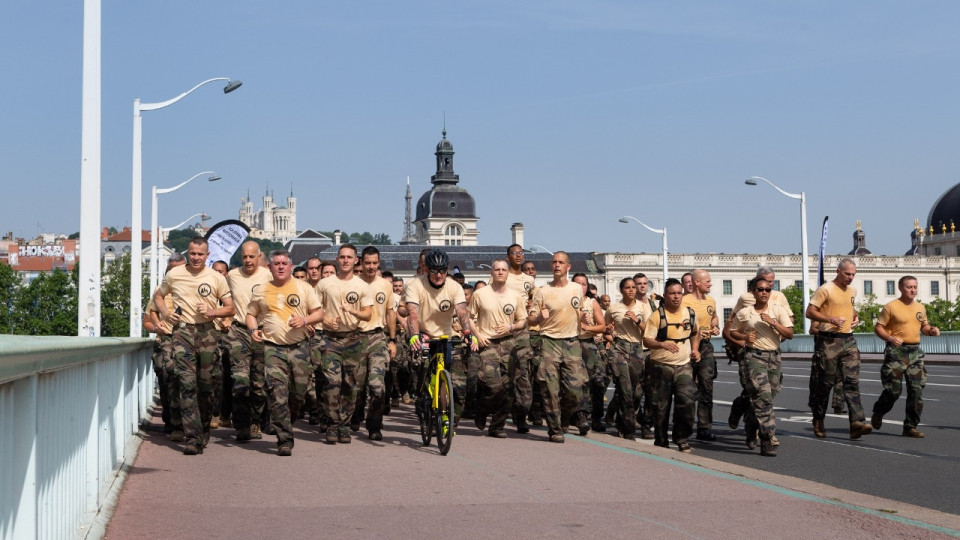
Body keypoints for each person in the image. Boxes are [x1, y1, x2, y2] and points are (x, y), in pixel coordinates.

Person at [153, 237, 235, 455]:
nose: (196, 257)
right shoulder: (174, 274)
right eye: (193, 253)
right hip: (183, 333)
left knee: (207, 387)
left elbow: (230, 309)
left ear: (208, 256)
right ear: (188, 253)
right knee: (187, 384)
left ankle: (203, 428)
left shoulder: (216, 278)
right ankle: (192, 438)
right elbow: (158, 296)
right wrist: (165, 312)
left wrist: (212, 312)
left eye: (201, 254)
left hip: (207, 332)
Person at [245, 250, 324, 456]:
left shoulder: (303, 287)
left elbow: (319, 313)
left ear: (291, 266)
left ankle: (288, 418)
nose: (280, 267)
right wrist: (253, 330)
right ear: (270, 267)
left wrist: (305, 320)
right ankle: (284, 440)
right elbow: (251, 314)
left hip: (299, 347)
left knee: (298, 394)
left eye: (284, 263)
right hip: (273, 348)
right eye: (276, 264)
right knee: (277, 394)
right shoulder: (261, 290)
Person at [404, 249, 479, 426]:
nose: (439, 275)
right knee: (421, 367)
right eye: (434, 271)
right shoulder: (415, 285)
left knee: (458, 383)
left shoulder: (454, 287)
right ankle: (422, 396)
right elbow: (412, 314)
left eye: (443, 270)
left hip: (446, 335)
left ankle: (448, 418)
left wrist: (468, 333)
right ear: (427, 270)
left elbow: (462, 312)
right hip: (423, 333)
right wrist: (415, 336)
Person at [527, 251, 591, 443]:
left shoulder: (576, 289)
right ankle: (555, 430)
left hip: (571, 342)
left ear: (568, 267)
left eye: (561, 262)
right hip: (549, 341)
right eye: (554, 262)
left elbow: (579, 310)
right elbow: (531, 319)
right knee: (550, 389)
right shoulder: (543, 291)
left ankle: (563, 419)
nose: (557, 265)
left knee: (575, 388)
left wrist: (584, 317)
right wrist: (539, 317)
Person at [806, 258, 872, 440]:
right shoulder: (825, 289)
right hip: (828, 341)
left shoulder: (852, 290)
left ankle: (856, 423)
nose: (851, 277)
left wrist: (855, 316)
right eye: (847, 274)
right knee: (825, 384)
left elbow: (848, 307)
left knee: (851, 382)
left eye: (853, 274)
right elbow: (809, 312)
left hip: (848, 340)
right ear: (838, 271)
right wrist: (830, 320)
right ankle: (818, 419)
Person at [316, 244, 374, 444]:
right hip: (330, 338)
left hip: (353, 339)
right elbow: (316, 310)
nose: (346, 260)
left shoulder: (362, 286)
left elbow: (368, 314)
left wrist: (353, 311)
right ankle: (332, 424)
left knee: (350, 385)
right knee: (332, 383)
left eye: (350, 257)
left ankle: (344, 425)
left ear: (356, 260)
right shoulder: (325, 284)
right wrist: (325, 321)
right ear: (337, 259)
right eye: (342, 257)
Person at [729, 277, 793, 457]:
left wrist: (773, 322)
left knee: (762, 398)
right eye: (760, 289)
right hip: (753, 356)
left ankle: (749, 425)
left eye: (767, 289)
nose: (764, 292)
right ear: (753, 292)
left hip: (774, 357)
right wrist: (744, 338)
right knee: (763, 397)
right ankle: (766, 439)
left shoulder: (777, 310)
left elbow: (790, 333)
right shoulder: (745, 312)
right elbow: (732, 331)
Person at [870, 276, 940, 438]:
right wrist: (890, 338)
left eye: (915, 287)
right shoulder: (891, 307)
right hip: (896, 352)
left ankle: (910, 426)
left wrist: (931, 331)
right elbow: (878, 328)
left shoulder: (920, 307)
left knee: (916, 390)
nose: (913, 290)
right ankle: (879, 412)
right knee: (893, 391)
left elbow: (924, 326)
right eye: (909, 287)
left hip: (915, 352)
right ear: (901, 288)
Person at [469, 259, 528, 438]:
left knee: (509, 388)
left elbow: (522, 321)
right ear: (491, 273)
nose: (500, 272)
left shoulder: (515, 296)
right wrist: (478, 336)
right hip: (488, 344)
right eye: (497, 270)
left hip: (508, 343)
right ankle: (481, 408)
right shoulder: (480, 294)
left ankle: (497, 426)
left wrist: (511, 327)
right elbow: (470, 318)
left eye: (504, 270)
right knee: (492, 385)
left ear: (508, 273)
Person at [642, 278, 700, 453]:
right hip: (661, 366)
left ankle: (681, 438)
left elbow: (696, 333)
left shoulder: (689, 313)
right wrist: (662, 344)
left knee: (687, 401)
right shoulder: (657, 316)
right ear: (665, 295)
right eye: (672, 293)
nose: (676, 297)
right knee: (660, 407)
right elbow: (646, 340)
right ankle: (661, 441)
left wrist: (695, 350)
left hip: (683, 365)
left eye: (679, 293)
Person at [225, 241, 273, 442]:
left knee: (259, 383)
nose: (248, 260)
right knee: (240, 381)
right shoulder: (232, 276)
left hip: (262, 333)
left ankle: (255, 421)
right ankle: (242, 425)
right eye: (244, 256)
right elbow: (222, 299)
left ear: (259, 257)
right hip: (239, 332)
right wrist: (223, 317)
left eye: (252, 257)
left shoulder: (268, 276)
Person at [351, 246, 397, 440]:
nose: (370, 266)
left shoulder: (385, 285)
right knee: (356, 386)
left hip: (378, 337)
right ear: (360, 262)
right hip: (355, 338)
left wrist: (392, 339)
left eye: (374, 263)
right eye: (367, 262)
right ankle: (356, 413)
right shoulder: (352, 283)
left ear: (379, 263)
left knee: (377, 385)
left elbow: (390, 312)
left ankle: (374, 425)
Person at [144, 253, 186, 437]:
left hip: (188, 341)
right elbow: (147, 321)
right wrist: (156, 327)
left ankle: (186, 423)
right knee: (167, 380)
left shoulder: (192, 288)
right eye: (172, 270)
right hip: (165, 341)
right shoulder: (159, 292)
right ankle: (172, 422)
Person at [680, 269, 720, 441]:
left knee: (706, 386)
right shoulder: (684, 301)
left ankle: (704, 427)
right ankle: (684, 426)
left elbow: (714, 318)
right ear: (697, 282)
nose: (710, 284)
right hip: (686, 347)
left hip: (705, 348)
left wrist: (715, 327)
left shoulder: (711, 301)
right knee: (687, 390)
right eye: (708, 281)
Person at [605, 277, 646, 440]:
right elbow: (606, 328)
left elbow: (649, 331)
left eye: (633, 287)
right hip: (619, 348)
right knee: (625, 388)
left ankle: (618, 419)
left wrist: (637, 321)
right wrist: (609, 331)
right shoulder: (614, 308)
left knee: (635, 392)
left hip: (636, 348)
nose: (631, 290)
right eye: (627, 287)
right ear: (621, 290)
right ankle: (627, 429)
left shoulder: (643, 307)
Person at [505, 245, 537, 432]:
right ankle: (497, 412)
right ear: (508, 256)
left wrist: (531, 305)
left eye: (521, 253)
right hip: (503, 331)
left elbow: (534, 299)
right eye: (515, 253)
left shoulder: (529, 280)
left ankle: (521, 416)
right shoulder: (502, 275)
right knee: (502, 376)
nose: (519, 256)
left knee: (523, 373)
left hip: (522, 330)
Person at [573, 273, 607, 432]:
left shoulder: (591, 302)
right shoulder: (567, 301)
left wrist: (587, 326)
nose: (581, 286)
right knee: (578, 383)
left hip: (589, 344)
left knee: (598, 382)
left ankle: (597, 418)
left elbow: (602, 326)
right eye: (577, 283)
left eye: (584, 284)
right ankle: (580, 417)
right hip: (571, 343)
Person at [209, 260, 233, 430]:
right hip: (212, 338)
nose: (218, 274)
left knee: (231, 377)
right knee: (215, 377)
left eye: (221, 271)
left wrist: (229, 320)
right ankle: (215, 413)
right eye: (215, 271)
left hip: (230, 338)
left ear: (227, 273)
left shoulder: (232, 294)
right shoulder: (207, 293)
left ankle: (226, 414)